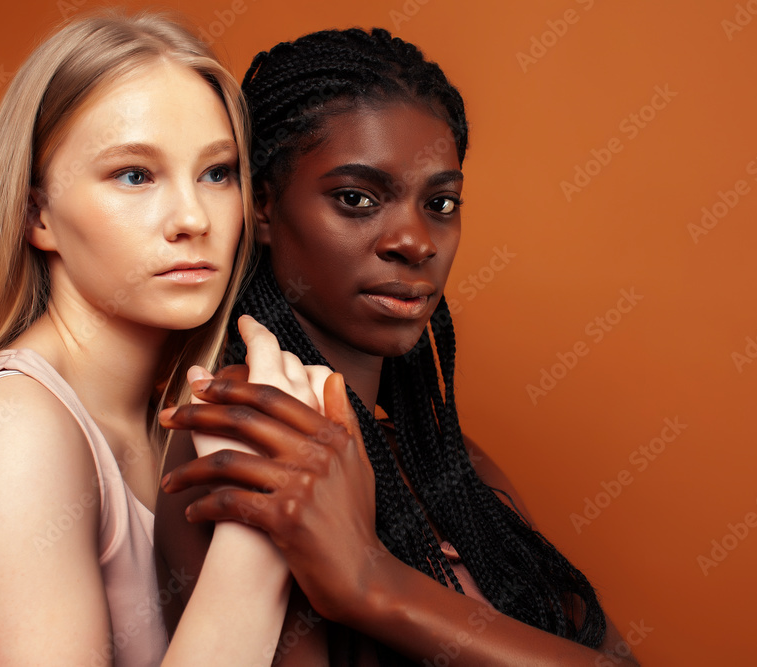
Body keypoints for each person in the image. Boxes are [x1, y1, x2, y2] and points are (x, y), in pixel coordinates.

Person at [156, 27, 641, 666]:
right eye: (357, 199)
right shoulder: (248, 440)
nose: (415, 241)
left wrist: (373, 581)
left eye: (440, 202)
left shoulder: (447, 457)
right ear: (265, 207)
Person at [0, 11, 306, 666]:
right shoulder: (12, 427)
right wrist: (257, 540)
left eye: (217, 172)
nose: (191, 218)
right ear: (37, 214)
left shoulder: (167, 425)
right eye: (134, 175)